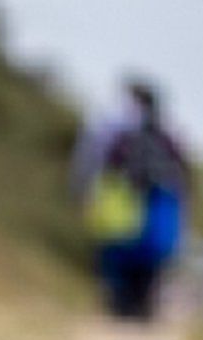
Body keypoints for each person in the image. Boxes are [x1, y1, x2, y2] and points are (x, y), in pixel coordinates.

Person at [73, 78, 194, 321]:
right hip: (158, 203)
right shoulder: (167, 135)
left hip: (121, 200)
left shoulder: (111, 130)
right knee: (147, 259)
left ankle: (123, 306)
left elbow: (89, 162)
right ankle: (140, 307)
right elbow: (185, 173)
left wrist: (83, 192)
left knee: (118, 256)